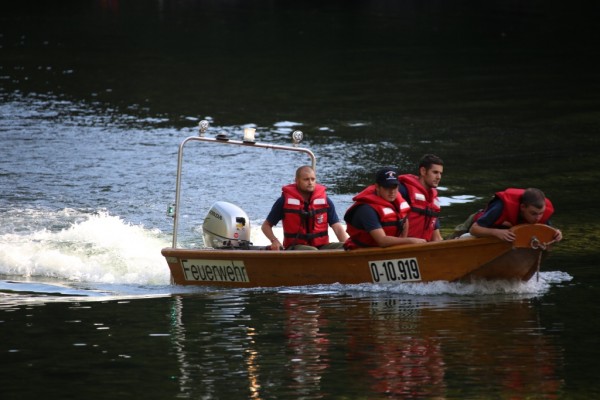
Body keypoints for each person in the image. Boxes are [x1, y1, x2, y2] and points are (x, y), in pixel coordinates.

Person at [261, 165, 348, 250]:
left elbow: (337, 227)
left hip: (321, 247)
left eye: (313, 179)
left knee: (345, 246)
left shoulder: (325, 201)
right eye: (306, 179)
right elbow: (266, 226)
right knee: (312, 251)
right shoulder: (283, 201)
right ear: (297, 181)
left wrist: (349, 245)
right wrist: (275, 241)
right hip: (295, 247)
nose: (310, 182)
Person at [343, 167, 427, 249]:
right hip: (362, 251)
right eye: (387, 187)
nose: (392, 192)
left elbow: (405, 222)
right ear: (377, 187)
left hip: (387, 250)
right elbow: (382, 241)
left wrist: (403, 244)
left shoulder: (398, 203)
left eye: (395, 187)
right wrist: (410, 241)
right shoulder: (366, 209)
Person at [464, 187, 562, 242]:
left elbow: (550, 231)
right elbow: (474, 229)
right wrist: (496, 232)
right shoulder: (501, 207)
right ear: (523, 207)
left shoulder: (540, 212)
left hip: (504, 228)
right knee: (455, 238)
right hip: (475, 222)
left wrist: (557, 234)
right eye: (533, 213)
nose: (538, 218)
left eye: (541, 213)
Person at [398, 154, 444, 242]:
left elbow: (437, 238)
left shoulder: (433, 200)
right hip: (402, 245)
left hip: (422, 246)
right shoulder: (403, 191)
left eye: (440, 173)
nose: (439, 177)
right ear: (423, 171)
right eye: (435, 172)